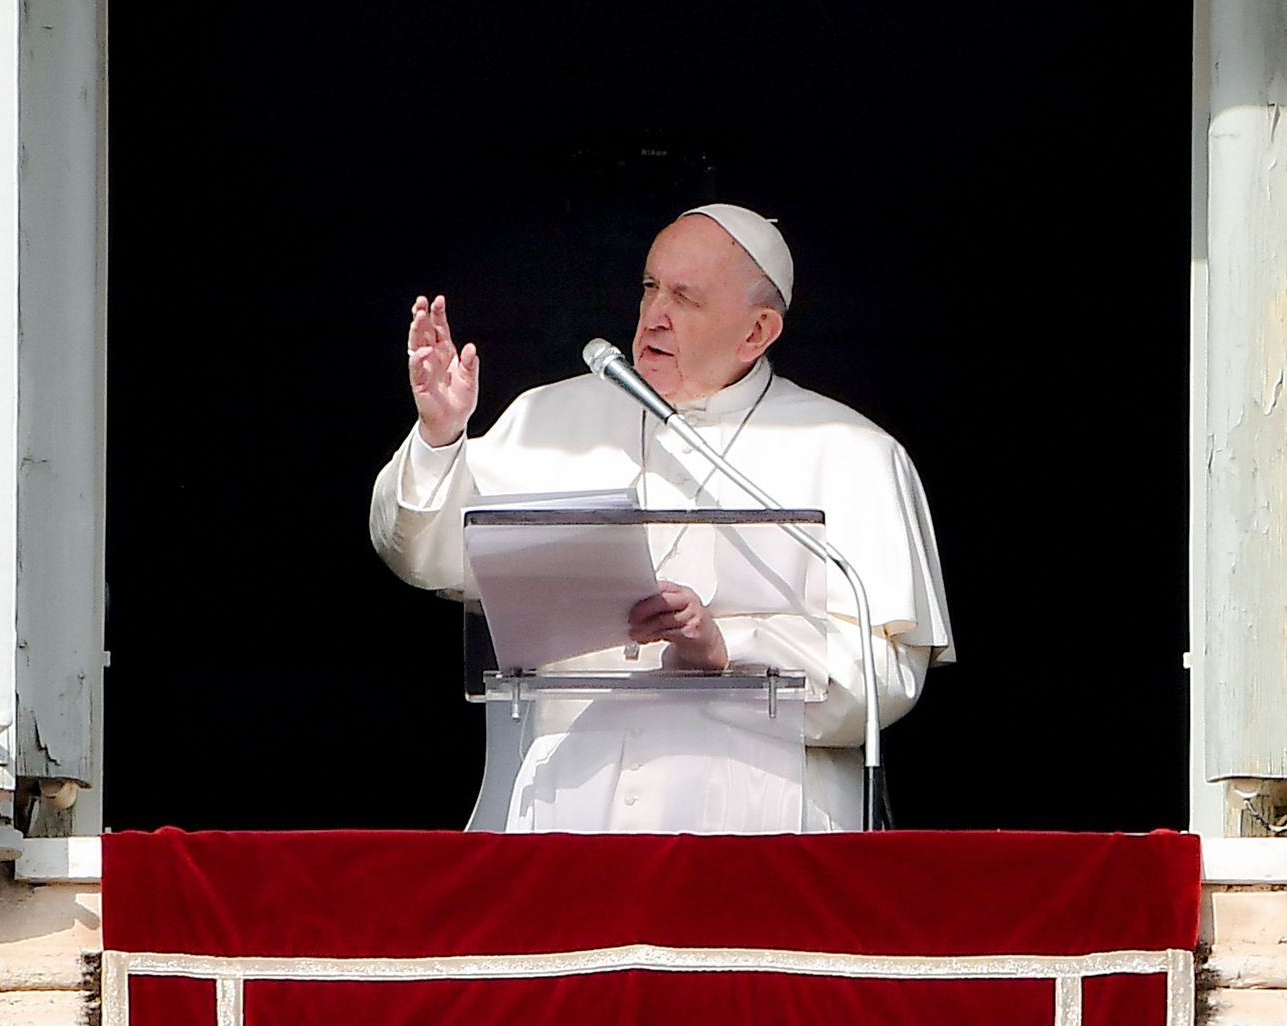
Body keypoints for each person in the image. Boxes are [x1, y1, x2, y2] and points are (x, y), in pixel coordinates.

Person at [369, 204, 954, 832]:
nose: (655, 316)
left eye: (686, 298)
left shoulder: (849, 450)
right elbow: (426, 558)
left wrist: (727, 651)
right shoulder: (551, 420)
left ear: (757, 332)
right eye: (650, 287)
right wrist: (440, 439)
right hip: (575, 812)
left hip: (765, 820)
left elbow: (888, 674)